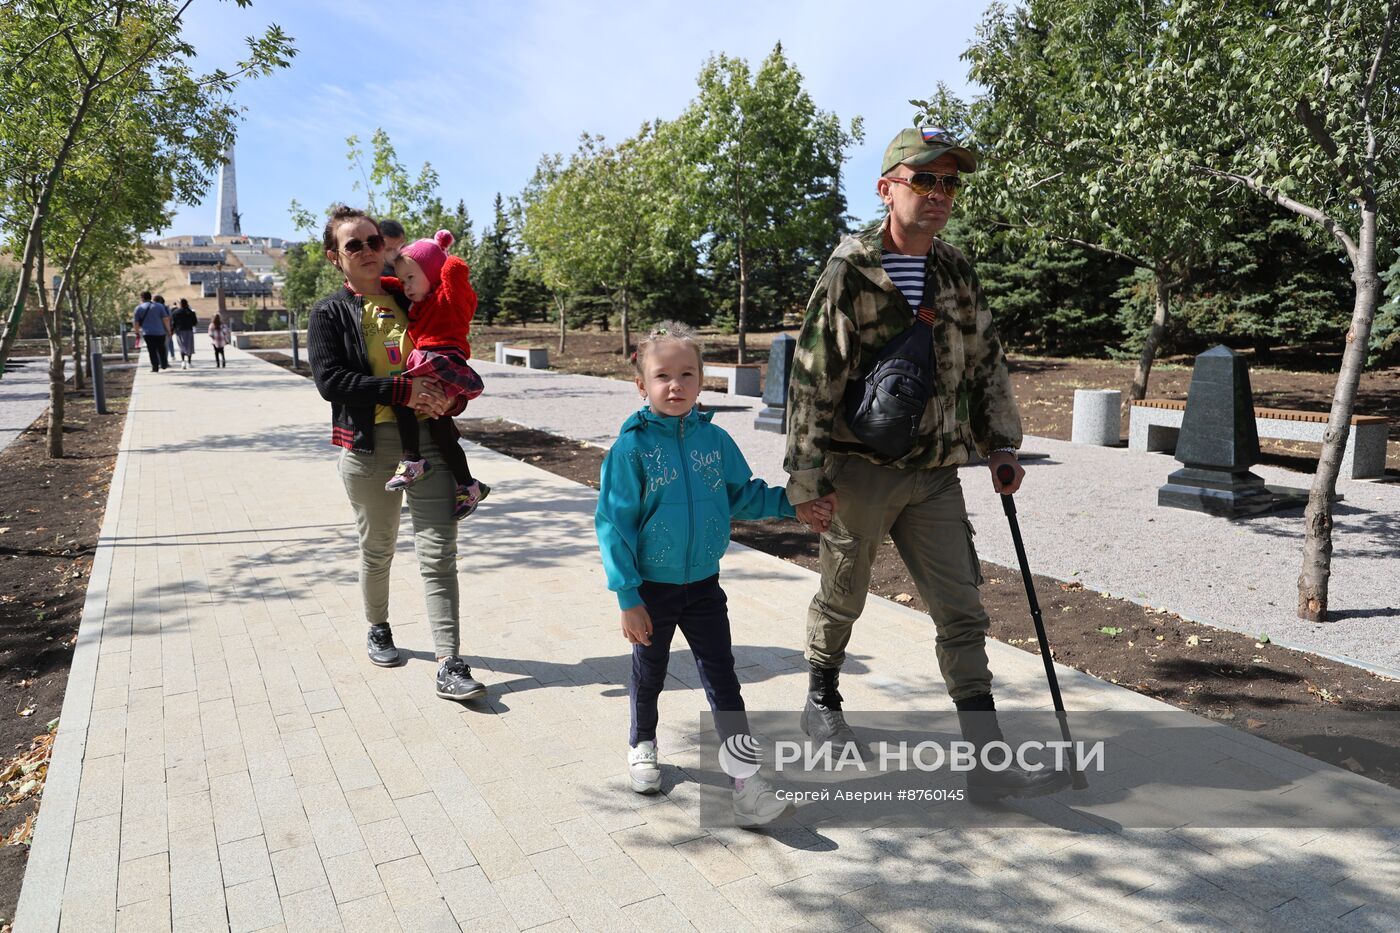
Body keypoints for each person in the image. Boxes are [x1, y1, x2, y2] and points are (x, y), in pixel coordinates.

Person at [783, 127, 1069, 803]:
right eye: (924, 180)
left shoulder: (956, 270)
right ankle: (822, 695)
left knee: (962, 609)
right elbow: (812, 379)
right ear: (887, 188)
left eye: (949, 183)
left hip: (936, 469)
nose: (939, 194)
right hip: (859, 470)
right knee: (843, 592)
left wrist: (1001, 442)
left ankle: (987, 758)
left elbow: (986, 357)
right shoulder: (849, 271)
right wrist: (806, 479)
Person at [595, 321, 834, 826]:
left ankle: (746, 780)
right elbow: (614, 525)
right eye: (662, 376)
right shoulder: (631, 450)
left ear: (702, 381)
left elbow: (742, 494)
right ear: (642, 384)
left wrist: (796, 504)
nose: (675, 385)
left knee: (723, 678)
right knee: (649, 674)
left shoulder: (715, 440)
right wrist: (627, 595)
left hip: (704, 585)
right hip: (651, 591)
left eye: (686, 375)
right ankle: (642, 742)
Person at [306, 205, 486, 702]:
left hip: (429, 441)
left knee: (438, 553)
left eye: (373, 241)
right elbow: (330, 382)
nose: (368, 251)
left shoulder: (412, 293)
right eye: (353, 245)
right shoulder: (328, 313)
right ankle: (378, 625)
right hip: (369, 449)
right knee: (378, 546)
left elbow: (452, 350)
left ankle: (450, 661)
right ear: (334, 258)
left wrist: (455, 396)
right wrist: (398, 390)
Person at [386, 230, 489, 520]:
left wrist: (440, 252)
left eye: (411, 278)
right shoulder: (421, 300)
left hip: (444, 359)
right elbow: (393, 283)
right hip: (431, 361)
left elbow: (455, 269)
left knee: (400, 394)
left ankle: (413, 460)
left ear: (432, 273)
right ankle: (469, 485)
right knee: (441, 430)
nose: (405, 286)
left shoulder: (448, 297)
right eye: (403, 279)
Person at [133, 290, 171, 372]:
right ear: (150, 297)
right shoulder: (159, 306)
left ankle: (155, 367)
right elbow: (165, 319)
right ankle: (164, 363)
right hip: (160, 332)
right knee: (161, 348)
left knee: (152, 350)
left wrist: (137, 332)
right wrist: (168, 330)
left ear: (142, 298)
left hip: (148, 333)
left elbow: (136, 322)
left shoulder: (139, 308)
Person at [171, 298, 198, 368]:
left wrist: (172, 331)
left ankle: (183, 361)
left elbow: (173, 323)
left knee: (182, 346)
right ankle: (189, 362)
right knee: (189, 346)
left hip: (179, 331)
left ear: (180, 304)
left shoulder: (176, 312)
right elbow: (195, 322)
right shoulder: (191, 312)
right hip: (189, 330)